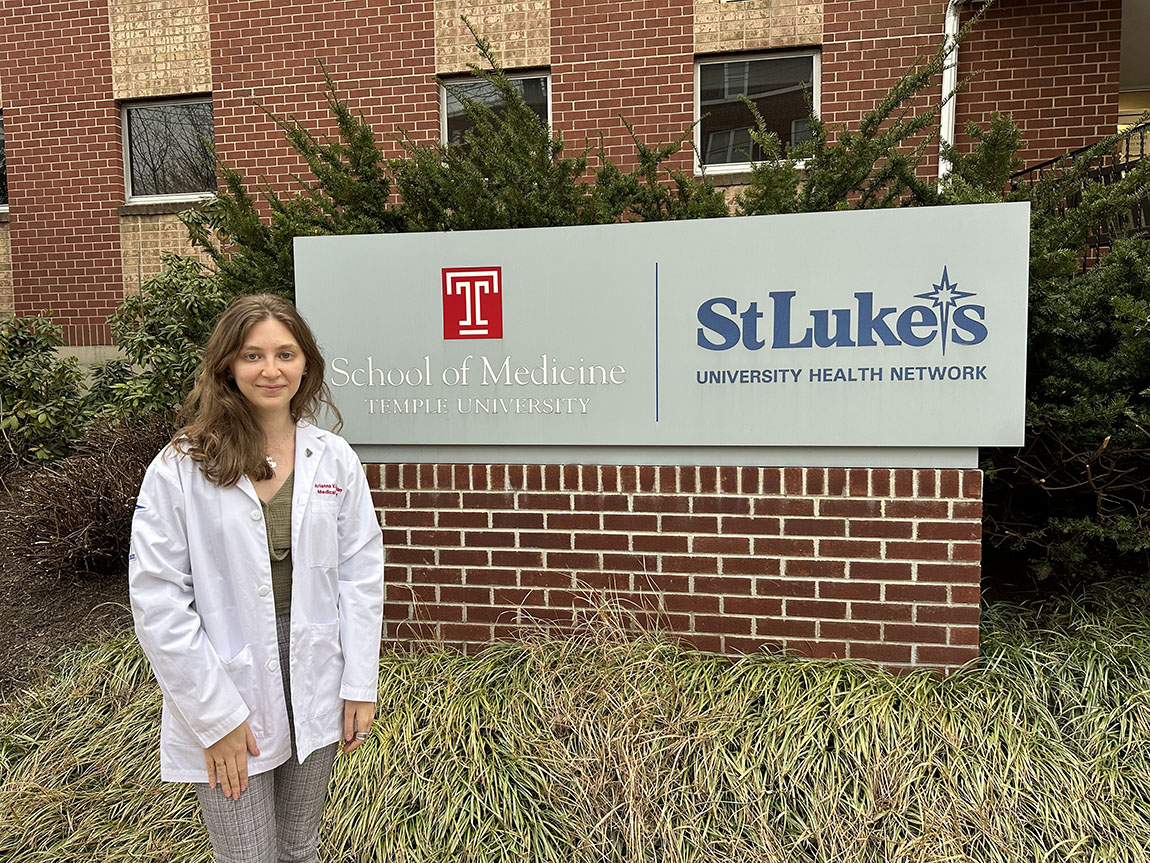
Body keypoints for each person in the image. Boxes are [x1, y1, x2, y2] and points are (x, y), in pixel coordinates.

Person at [129, 293, 384, 863]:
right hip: (225, 682)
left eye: (286, 354)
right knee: (246, 855)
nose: (271, 370)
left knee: (299, 848)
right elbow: (158, 597)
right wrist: (214, 718)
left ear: (306, 366)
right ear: (228, 366)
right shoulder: (182, 465)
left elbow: (361, 574)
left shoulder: (334, 458)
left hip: (316, 675)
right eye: (253, 355)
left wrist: (358, 684)